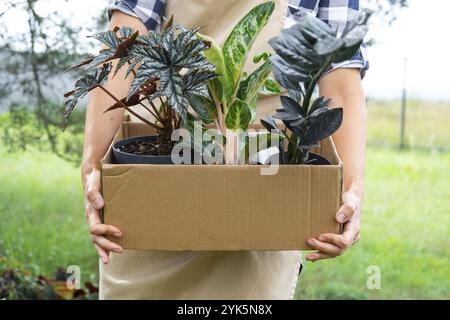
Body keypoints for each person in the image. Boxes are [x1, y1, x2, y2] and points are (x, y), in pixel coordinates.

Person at [82, 0, 369, 299]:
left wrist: (350, 190)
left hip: (260, 204)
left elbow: (339, 78)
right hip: (157, 185)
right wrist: (92, 169)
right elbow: (122, 49)